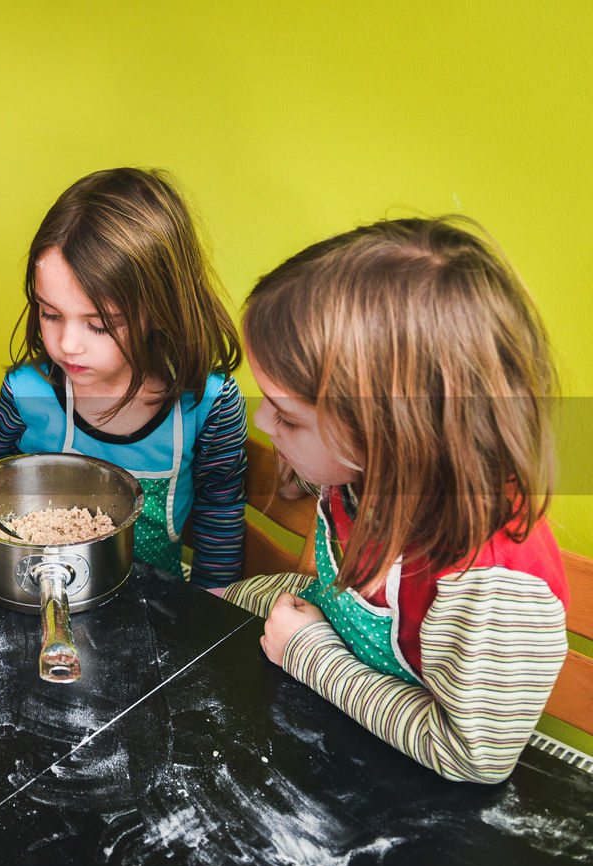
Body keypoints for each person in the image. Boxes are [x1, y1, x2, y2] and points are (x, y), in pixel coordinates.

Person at [225, 217, 569, 783]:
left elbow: (473, 757)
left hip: (402, 781)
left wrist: (313, 657)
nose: (262, 422)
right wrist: (306, 470)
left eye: (286, 416)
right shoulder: (375, 469)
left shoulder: (494, 589)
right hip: (325, 647)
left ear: (390, 437)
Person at [0, 168, 247, 587]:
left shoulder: (209, 401)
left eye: (101, 325)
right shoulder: (25, 393)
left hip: (156, 604)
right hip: (37, 593)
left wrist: (210, 600)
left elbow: (221, 507)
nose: (68, 343)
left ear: (161, 309)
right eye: (51, 314)